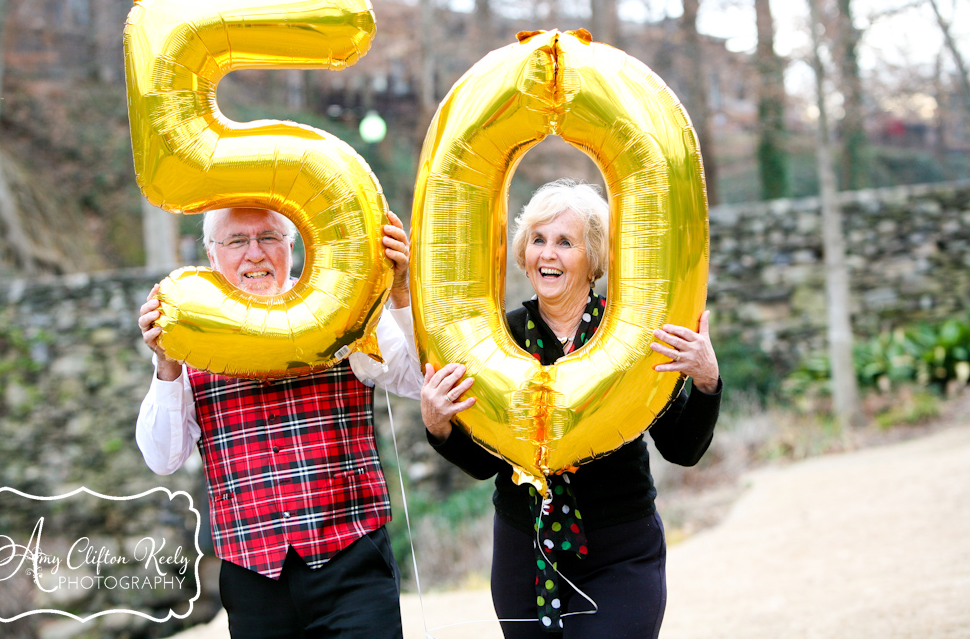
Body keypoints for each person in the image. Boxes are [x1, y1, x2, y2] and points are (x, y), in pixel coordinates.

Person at [420, 179, 722, 639]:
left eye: (565, 242)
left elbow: (682, 448)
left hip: (621, 552)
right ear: (522, 254)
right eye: (538, 240)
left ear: (593, 259)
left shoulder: (630, 337)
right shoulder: (499, 341)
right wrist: (439, 427)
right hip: (525, 557)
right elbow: (484, 463)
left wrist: (706, 381)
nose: (548, 254)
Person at [136, 207, 422, 639]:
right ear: (212, 257)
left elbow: (421, 381)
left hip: (352, 565)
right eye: (236, 241)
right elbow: (162, 459)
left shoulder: (342, 311)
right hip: (253, 581)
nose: (254, 254)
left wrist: (400, 292)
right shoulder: (188, 337)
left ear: (293, 245)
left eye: (268, 236)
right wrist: (167, 365)